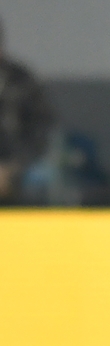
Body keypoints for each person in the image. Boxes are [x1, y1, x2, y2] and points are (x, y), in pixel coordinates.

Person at [0, 16, 53, 205]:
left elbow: (42, 128)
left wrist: (13, 166)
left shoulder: (21, 80)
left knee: (42, 176)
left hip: (19, 162)